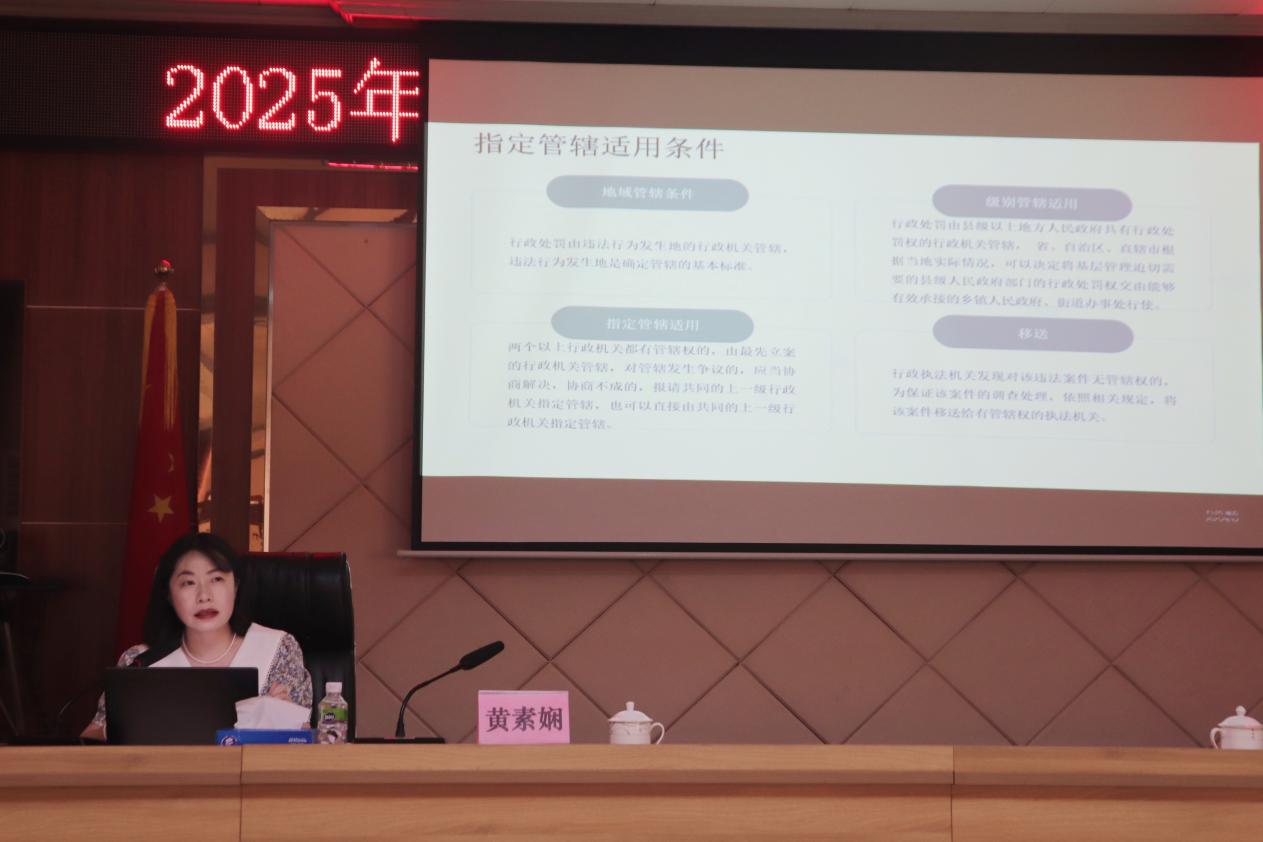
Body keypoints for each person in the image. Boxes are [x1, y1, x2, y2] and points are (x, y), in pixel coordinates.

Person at [82, 532, 312, 740]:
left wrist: (283, 721)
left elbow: (304, 742)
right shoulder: (141, 662)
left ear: (236, 586)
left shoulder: (278, 649)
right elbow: (89, 738)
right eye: (188, 583)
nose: (204, 596)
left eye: (217, 579)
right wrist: (125, 727)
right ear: (169, 594)